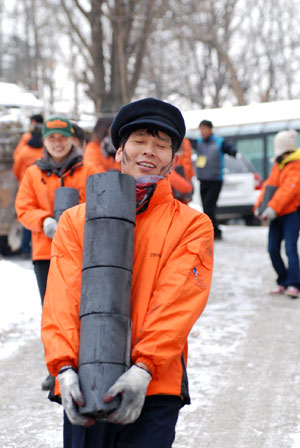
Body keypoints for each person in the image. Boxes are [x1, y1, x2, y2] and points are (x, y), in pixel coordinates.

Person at [41, 98, 214, 448]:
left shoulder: (192, 225)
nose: (149, 151)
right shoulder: (76, 221)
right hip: (85, 378)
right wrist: (63, 367)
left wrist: (144, 368)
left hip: (154, 383)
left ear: (173, 161)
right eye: (139, 141)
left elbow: (177, 304)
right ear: (119, 152)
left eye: (161, 145)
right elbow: (61, 299)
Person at [15, 116, 97, 390]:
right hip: (45, 253)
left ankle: (85, 363)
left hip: (82, 252)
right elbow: (23, 208)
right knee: (52, 310)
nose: (58, 143)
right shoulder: (32, 173)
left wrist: (75, 222)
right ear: (45, 141)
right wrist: (44, 221)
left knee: (81, 308)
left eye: (63, 137)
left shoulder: (88, 170)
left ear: (72, 138)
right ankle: (56, 367)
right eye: (52, 138)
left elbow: (97, 202)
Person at [254, 129, 300, 299]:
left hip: (291, 214)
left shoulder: (296, 165)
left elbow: (288, 191)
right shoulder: (278, 165)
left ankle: (295, 284)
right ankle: (283, 280)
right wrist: (259, 206)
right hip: (276, 215)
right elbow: (269, 187)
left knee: (290, 249)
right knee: (272, 249)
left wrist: (272, 209)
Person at [196, 119, 237, 239]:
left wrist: (233, 151)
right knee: (205, 207)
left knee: (209, 206)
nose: (202, 132)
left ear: (210, 129)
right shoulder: (198, 142)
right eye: (201, 129)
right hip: (203, 179)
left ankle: (213, 231)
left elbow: (229, 147)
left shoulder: (219, 142)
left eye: (205, 129)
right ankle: (214, 230)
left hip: (215, 180)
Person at [13, 123, 44, 257]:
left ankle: (25, 246)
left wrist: (22, 179)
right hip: (43, 186)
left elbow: (16, 169)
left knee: (28, 216)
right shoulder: (44, 151)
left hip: (24, 185)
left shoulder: (24, 151)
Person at [169, 137, 195, 204]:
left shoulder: (186, 151)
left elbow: (189, 173)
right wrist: (189, 189)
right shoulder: (168, 163)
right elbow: (186, 187)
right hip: (173, 199)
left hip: (182, 200)